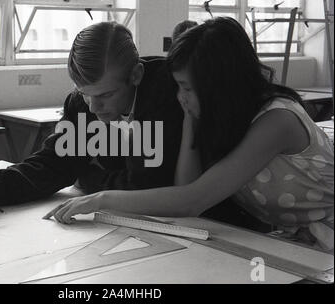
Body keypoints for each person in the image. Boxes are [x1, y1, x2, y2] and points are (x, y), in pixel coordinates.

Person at [45, 17, 334, 252]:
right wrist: (188, 120)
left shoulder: (277, 120)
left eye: (186, 87)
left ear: (220, 85)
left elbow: (191, 200)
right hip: (299, 239)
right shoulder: (214, 117)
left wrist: (101, 198)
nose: (179, 97)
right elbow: (187, 188)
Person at [0, 22, 183, 215]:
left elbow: (147, 185)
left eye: (105, 95)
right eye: (84, 93)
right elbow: (52, 166)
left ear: (136, 75)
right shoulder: (81, 104)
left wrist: (86, 178)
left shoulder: (167, 93)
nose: (94, 107)